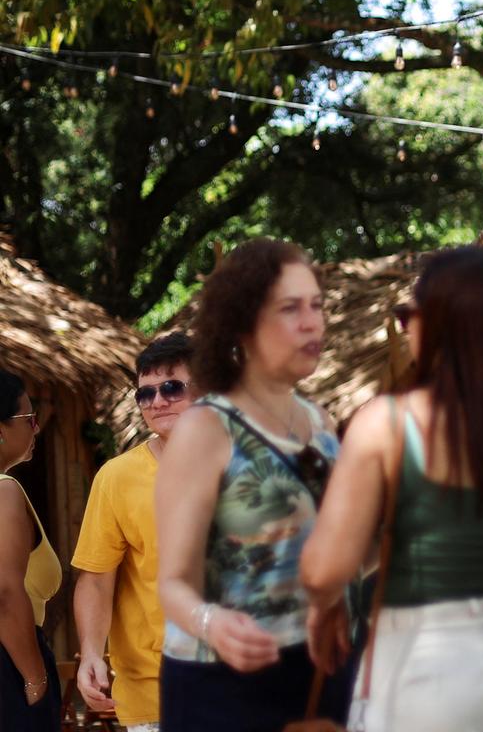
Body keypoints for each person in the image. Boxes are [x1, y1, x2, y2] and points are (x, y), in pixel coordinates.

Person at [300, 247, 483, 731]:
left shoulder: (387, 425)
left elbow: (325, 570)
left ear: (437, 323)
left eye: (408, 315)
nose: (403, 328)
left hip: (425, 669)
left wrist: (324, 600)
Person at [155, 239, 351, 731]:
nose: (312, 323)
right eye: (290, 309)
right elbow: (173, 584)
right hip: (220, 684)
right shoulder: (204, 430)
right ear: (242, 324)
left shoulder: (321, 423)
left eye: (316, 306)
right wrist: (213, 625)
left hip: (317, 671)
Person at [72, 333, 194, 732]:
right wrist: (91, 652)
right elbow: (96, 579)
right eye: (146, 394)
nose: (157, 401)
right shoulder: (116, 477)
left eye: (172, 388)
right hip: (155, 693)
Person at [0, 369, 62, 732]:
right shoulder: (4, 491)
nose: (37, 428)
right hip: (10, 666)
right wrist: (35, 679)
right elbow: (6, 594)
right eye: (30, 418)